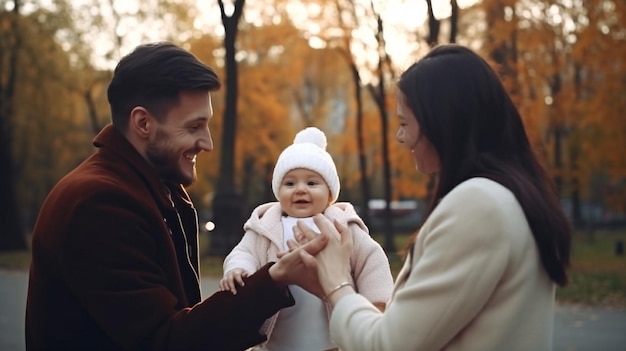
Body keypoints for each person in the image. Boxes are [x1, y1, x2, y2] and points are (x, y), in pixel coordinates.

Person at [25, 42, 328, 351]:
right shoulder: (99, 203)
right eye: (194, 126)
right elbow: (164, 340)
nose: (207, 143)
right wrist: (274, 279)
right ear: (143, 123)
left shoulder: (152, 187)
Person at [293, 44, 572, 351]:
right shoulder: (513, 197)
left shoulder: (479, 206)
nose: (401, 138)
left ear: (442, 122)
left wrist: (336, 280)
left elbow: (389, 345)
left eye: (404, 123)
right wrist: (329, 287)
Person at [218, 126, 394, 351]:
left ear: (330, 194)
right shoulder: (265, 227)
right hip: (276, 343)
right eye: (290, 183)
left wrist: (376, 301)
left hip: (330, 343)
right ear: (277, 191)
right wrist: (238, 269)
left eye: (312, 183)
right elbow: (244, 252)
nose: (300, 189)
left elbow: (371, 260)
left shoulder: (342, 226)